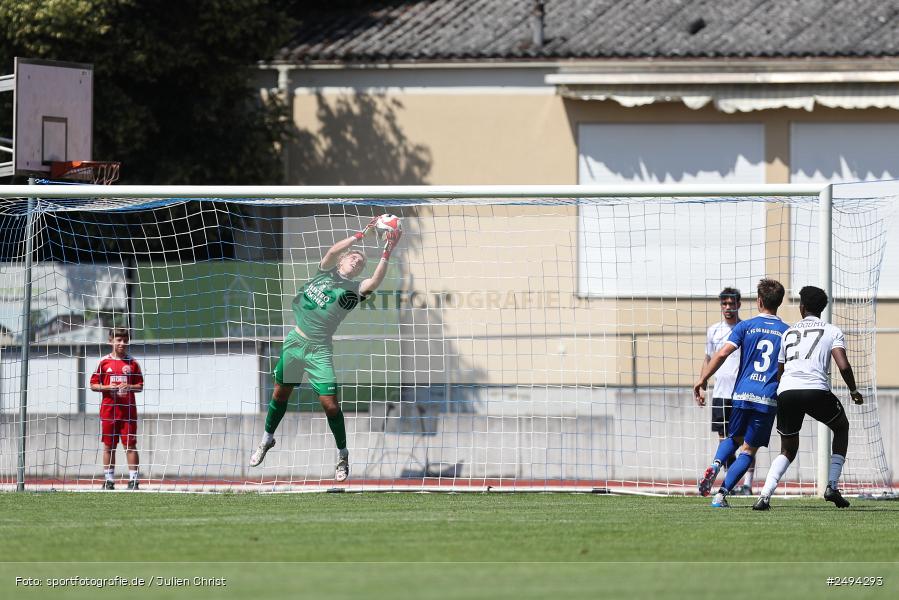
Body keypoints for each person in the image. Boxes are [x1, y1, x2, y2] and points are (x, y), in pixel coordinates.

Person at [249, 216, 402, 481]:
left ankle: (343, 456)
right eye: (354, 258)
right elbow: (332, 250)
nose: (357, 262)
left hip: (319, 349)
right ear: (343, 260)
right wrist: (360, 236)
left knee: (330, 406)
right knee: (280, 395)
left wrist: (387, 251)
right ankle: (267, 439)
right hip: (295, 342)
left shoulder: (352, 290)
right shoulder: (324, 272)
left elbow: (374, 282)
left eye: (361, 263)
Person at [752, 286, 864, 510]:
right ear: (822, 308)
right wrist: (853, 390)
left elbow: (780, 370)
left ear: (802, 307)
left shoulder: (788, 333)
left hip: (787, 392)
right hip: (815, 390)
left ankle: (764, 496)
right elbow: (843, 365)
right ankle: (832, 485)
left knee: (788, 449)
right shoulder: (831, 330)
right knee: (841, 428)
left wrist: (784, 392)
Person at [694, 278, 787, 507]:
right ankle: (721, 495)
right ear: (779, 302)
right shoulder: (787, 332)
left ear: (759, 301)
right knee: (748, 450)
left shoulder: (745, 327)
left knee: (732, 438)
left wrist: (703, 379)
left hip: (740, 394)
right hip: (765, 397)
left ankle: (716, 464)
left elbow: (722, 353)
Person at [695, 287, 755, 495]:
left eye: (732, 303)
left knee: (748, 440)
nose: (728, 307)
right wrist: (702, 384)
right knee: (724, 439)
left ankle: (747, 484)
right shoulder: (714, 330)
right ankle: (733, 484)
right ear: (721, 306)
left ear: (739, 305)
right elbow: (708, 359)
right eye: (724, 304)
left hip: (742, 392)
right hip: (720, 393)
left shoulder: (746, 328)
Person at [90, 328, 144, 490]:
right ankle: (109, 480)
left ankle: (133, 480)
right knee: (108, 446)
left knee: (130, 446)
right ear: (111, 341)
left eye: (124, 340)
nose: (122, 343)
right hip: (108, 412)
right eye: (118, 340)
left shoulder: (133, 363)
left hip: (128, 412)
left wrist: (129, 386)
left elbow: (140, 386)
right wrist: (107, 387)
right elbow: (93, 385)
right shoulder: (103, 362)